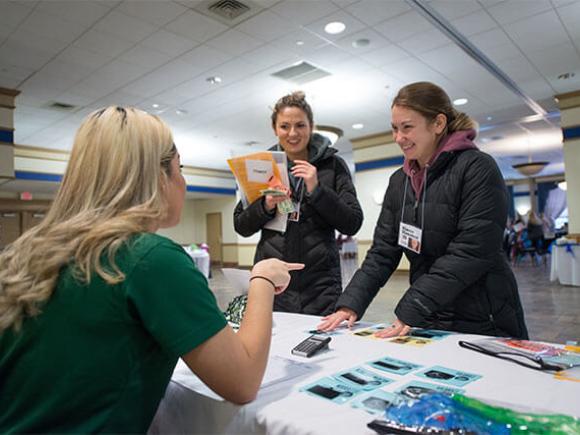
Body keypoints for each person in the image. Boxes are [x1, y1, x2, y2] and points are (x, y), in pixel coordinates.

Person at [0, 106, 303, 433]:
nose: (183, 182)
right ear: (158, 176)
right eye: (180, 167)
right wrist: (261, 279)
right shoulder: (150, 259)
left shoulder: (25, 253)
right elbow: (242, 382)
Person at [319, 82, 528, 339]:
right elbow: (383, 252)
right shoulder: (400, 181)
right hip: (430, 314)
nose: (398, 137)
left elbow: (472, 251)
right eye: (394, 129)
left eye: (407, 127)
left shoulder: (477, 168)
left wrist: (414, 305)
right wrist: (350, 303)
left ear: (438, 124)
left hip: (484, 314)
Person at [234, 91, 363, 315]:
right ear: (275, 129)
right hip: (273, 280)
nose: (292, 133)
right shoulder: (260, 168)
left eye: (300, 125)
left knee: (320, 345)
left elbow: (352, 223)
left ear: (311, 127)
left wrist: (317, 190)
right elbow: (241, 226)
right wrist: (265, 206)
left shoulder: (333, 166)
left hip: (321, 283)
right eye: (285, 126)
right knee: (274, 344)